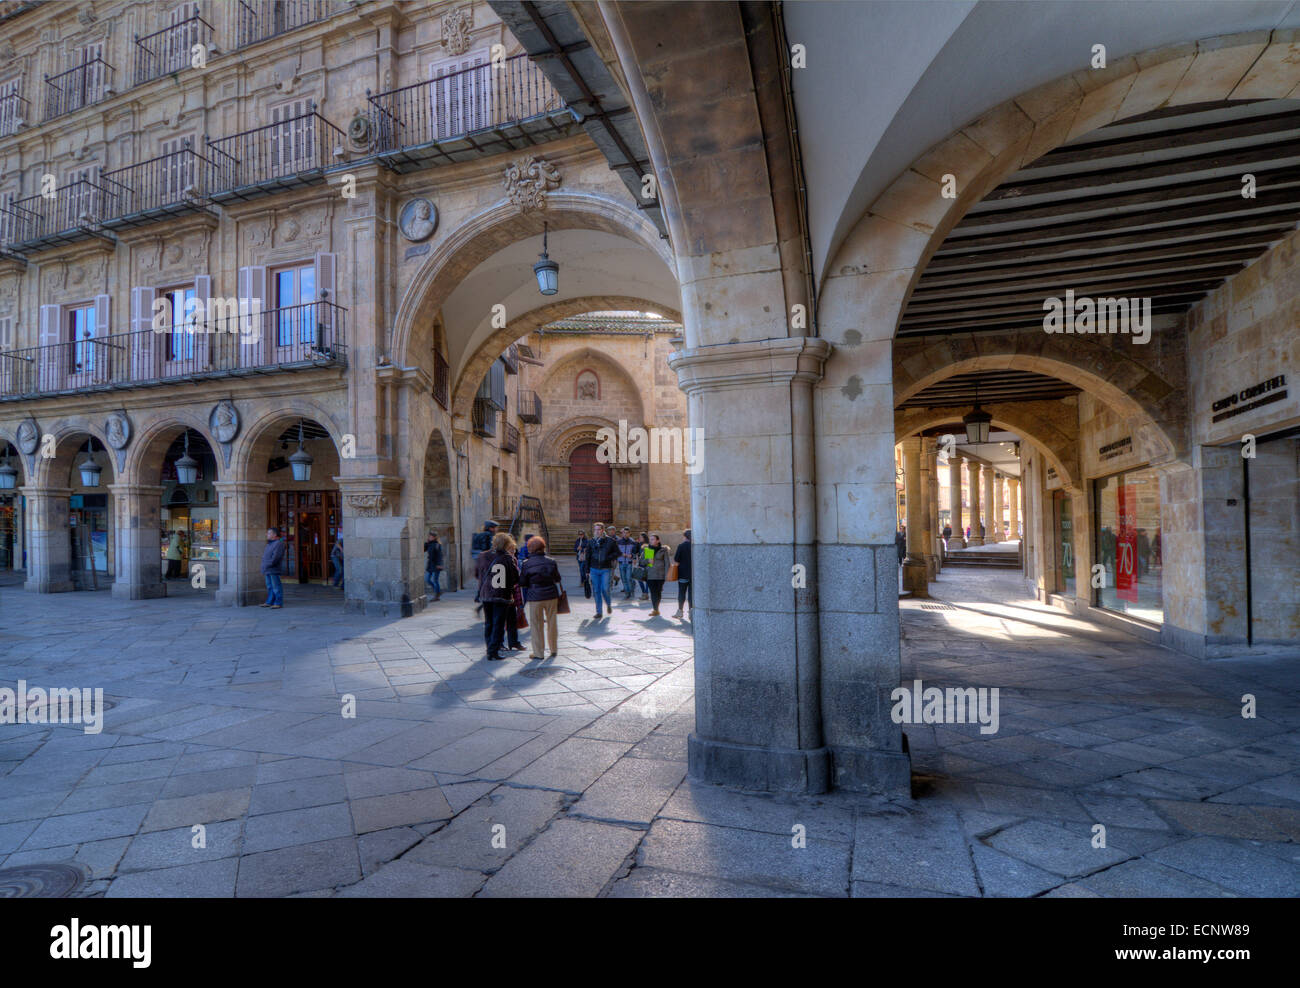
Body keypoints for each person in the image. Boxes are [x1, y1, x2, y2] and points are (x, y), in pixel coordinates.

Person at [475, 531, 519, 660]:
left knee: (489, 622)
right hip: (501, 595)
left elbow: (478, 574)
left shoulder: (482, 556)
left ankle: (490, 647)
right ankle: (493, 651)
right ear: (507, 544)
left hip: (486, 594)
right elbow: (515, 578)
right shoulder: (507, 558)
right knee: (498, 624)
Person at [519, 536, 562, 660]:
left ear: (530, 549)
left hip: (535, 596)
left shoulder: (527, 564)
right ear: (543, 547)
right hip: (551, 595)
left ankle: (538, 653)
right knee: (552, 623)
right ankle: (553, 649)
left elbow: (523, 582)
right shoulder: (551, 561)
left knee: (536, 625)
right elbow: (557, 579)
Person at [586, 522, 618, 618]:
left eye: (599, 529)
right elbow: (588, 557)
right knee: (596, 590)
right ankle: (599, 612)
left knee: (605, 589)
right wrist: (587, 571)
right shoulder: (591, 542)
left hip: (605, 569)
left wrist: (608, 557)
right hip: (594, 569)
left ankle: (608, 604)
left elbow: (616, 553)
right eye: (595, 529)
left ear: (603, 530)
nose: (597, 531)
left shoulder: (610, 541)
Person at [471, 520, 498, 606]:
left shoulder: (479, 535)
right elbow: (487, 548)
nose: (495, 530)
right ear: (490, 528)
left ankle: (479, 594)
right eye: (494, 528)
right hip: (486, 560)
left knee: (483, 578)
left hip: (479, 560)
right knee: (487, 579)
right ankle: (480, 595)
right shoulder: (488, 535)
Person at [643, 533, 670, 616]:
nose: (650, 541)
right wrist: (648, 561)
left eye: (653, 539)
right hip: (650, 574)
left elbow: (667, 563)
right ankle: (655, 609)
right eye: (650, 539)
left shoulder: (663, 550)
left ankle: (656, 609)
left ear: (658, 540)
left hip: (660, 575)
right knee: (653, 592)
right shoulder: (648, 549)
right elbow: (642, 562)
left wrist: (666, 575)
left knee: (658, 592)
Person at [260, 526, 286, 609]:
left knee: (276, 586)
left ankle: (278, 602)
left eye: (269, 533)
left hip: (273, 569)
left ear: (274, 535)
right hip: (267, 569)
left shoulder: (279, 543)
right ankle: (269, 602)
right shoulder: (269, 543)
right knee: (269, 586)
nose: (266, 534)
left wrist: (268, 564)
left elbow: (276, 557)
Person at [672, 529, 692, 619]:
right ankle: (691, 612)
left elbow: (676, 560)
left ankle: (680, 611)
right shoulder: (695, 546)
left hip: (683, 573)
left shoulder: (681, 546)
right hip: (693, 575)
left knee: (681, 593)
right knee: (691, 594)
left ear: (685, 537)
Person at [616, 527, 637, 599]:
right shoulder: (618, 541)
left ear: (629, 533)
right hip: (621, 562)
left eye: (627, 533)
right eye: (624, 532)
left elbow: (635, 551)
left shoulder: (632, 542)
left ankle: (630, 591)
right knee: (623, 579)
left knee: (628, 578)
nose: (625, 534)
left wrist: (633, 556)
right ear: (622, 533)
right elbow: (616, 551)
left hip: (629, 562)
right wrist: (621, 554)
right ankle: (627, 593)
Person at [424, 531, 443, 600]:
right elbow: (423, 549)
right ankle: (437, 591)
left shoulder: (437, 545)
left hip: (436, 564)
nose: (429, 537)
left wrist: (439, 564)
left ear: (434, 537)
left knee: (435, 580)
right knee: (427, 579)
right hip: (430, 564)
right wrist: (426, 542)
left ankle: (436, 595)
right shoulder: (429, 544)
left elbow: (440, 555)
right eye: (429, 536)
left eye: (430, 536)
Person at [635, 532, 650, 599]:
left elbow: (649, 557)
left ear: (644, 538)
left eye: (640, 537)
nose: (639, 538)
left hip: (646, 565)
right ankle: (644, 593)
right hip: (640, 564)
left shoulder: (648, 546)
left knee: (647, 580)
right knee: (639, 579)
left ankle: (646, 593)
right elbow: (636, 553)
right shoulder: (639, 545)